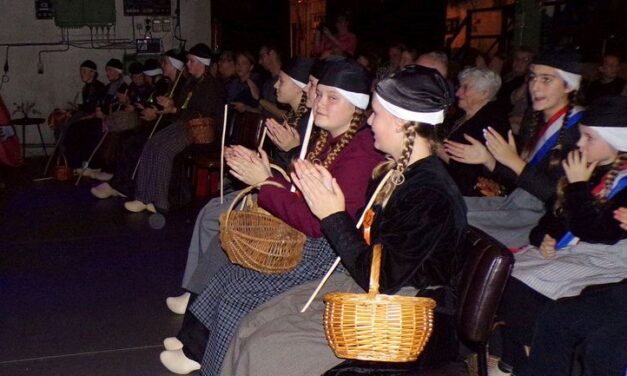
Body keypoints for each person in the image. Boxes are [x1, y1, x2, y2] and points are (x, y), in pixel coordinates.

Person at [220, 65, 466, 376]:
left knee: (265, 350)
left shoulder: (430, 194)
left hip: (402, 310)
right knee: (251, 324)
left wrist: (332, 215)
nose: (370, 121)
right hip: (369, 288)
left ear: (403, 124)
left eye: (375, 113)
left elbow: (380, 277)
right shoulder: (397, 171)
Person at [158, 60, 383, 376]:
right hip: (310, 240)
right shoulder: (331, 139)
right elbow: (299, 194)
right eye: (319, 95)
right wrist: (264, 173)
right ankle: (197, 351)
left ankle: (209, 363)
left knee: (238, 289)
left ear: (358, 108)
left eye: (333, 98)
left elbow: (319, 223)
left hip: (328, 254)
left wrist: (264, 181)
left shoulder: (360, 153)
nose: (318, 103)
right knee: (229, 273)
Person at [164, 58, 317, 316]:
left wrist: (288, 153)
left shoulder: (309, 123)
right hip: (272, 183)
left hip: (282, 193)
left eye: (282, 81)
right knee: (209, 210)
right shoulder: (295, 117)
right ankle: (194, 290)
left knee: (217, 217)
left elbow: (300, 172)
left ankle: (199, 295)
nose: (276, 86)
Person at [494, 95, 627, 375]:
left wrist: (578, 187)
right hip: (577, 250)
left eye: (589, 138)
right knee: (504, 271)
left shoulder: (619, 181)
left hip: (608, 260)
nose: (580, 144)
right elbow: (557, 214)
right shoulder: (594, 169)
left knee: (523, 285)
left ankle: (526, 360)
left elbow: (598, 231)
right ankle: (514, 358)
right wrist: (545, 236)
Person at [444, 48, 583, 247]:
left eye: (546, 79)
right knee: (443, 204)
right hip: (514, 203)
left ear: (569, 86)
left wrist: (514, 162)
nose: (535, 86)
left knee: (451, 218)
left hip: (540, 219)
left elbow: (559, 199)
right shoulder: (533, 118)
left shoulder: (579, 131)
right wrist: (488, 160)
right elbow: (516, 182)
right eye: (533, 77)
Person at [124, 43, 225, 213]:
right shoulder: (191, 83)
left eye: (191, 61)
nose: (188, 64)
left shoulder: (211, 86)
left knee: (164, 151)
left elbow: (202, 114)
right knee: (152, 143)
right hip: (185, 124)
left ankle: (160, 202)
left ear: (201, 63)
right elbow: (181, 107)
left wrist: (175, 109)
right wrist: (170, 106)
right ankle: (143, 196)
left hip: (200, 130)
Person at [90, 48, 188, 200]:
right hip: (159, 124)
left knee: (134, 143)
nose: (163, 65)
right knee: (127, 140)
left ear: (174, 65)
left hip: (170, 129)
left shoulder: (182, 85)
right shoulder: (169, 84)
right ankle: (119, 182)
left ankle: (125, 186)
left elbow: (178, 112)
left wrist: (156, 114)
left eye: (166, 62)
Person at [438, 67, 510, 196]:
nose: (458, 93)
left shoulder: (491, 124)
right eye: (460, 87)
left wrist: (433, 146)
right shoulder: (464, 115)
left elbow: (470, 172)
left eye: (465, 88)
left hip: (468, 196)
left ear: (485, 94)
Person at [62, 60, 107, 170]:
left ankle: (79, 164)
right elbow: (87, 106)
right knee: (68, 126)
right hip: (89, 118)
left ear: (92, 73)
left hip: (97, 120)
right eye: (81, 71)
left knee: (75, 129)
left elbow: (98, 109)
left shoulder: (99, 87)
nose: (81, 74)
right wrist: (75, 109)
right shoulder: (86, 88)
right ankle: (70, 161)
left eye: (84, 71)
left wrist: (85, 117)